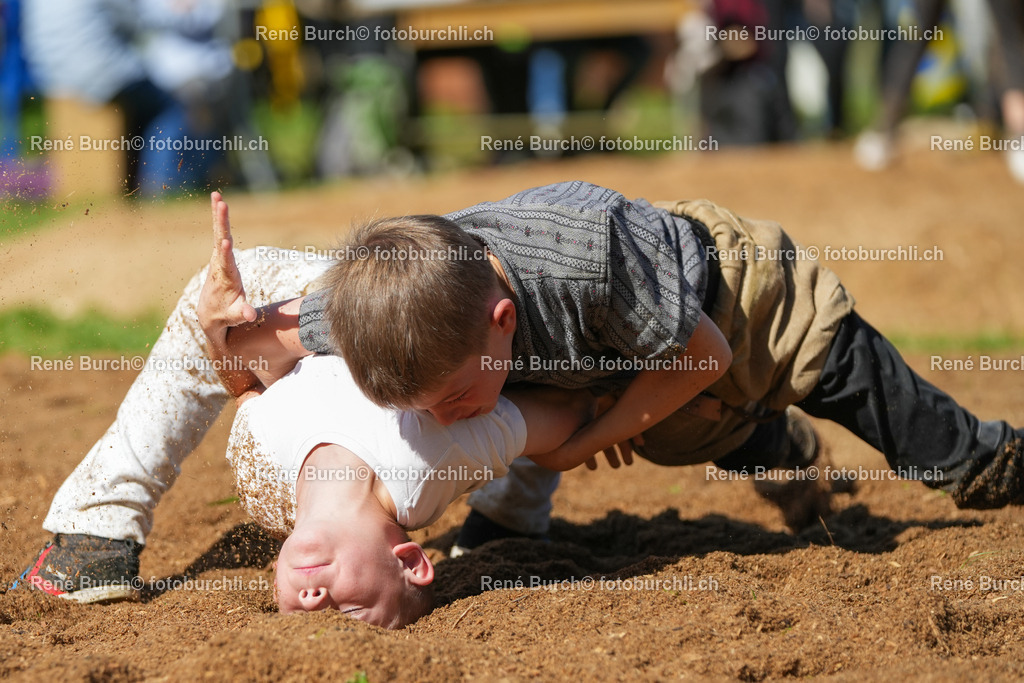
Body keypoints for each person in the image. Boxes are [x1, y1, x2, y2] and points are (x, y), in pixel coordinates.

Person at [294, 180, 1023, 552]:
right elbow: (284, 326)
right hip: (640, 373)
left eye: (451, 396)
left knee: (863, 383)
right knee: (709, 435)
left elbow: (706, 352)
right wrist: (241, 330)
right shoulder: (380, 310)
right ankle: (787, 451)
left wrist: (586, 438)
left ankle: (985, 460)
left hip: (741, 300)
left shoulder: (591, 254)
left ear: (501, 321)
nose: (443, 417)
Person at [13, 192, 596, 626]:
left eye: (309, 612)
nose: (318, 601)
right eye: (353, 607)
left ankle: (95, 530)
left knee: (204, 323)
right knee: (501, 381)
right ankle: (510, 519)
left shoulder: (265, 493)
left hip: (289, 338)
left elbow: (246, 386)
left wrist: (221, 331)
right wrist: (600, 407)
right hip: (381, 310)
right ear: (410, 561)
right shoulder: (429, 469)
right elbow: (542, 423)